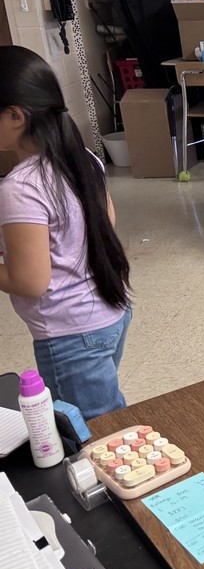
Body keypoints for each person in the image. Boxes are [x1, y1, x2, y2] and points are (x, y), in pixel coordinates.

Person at [0, 46, 131, 419]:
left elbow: (30, 281)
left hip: (71, 333)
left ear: (15, 116)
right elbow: (106, 222)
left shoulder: (20, 186)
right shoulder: (83, 157)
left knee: (96, 435)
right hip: (111, 311)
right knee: (104, 418)